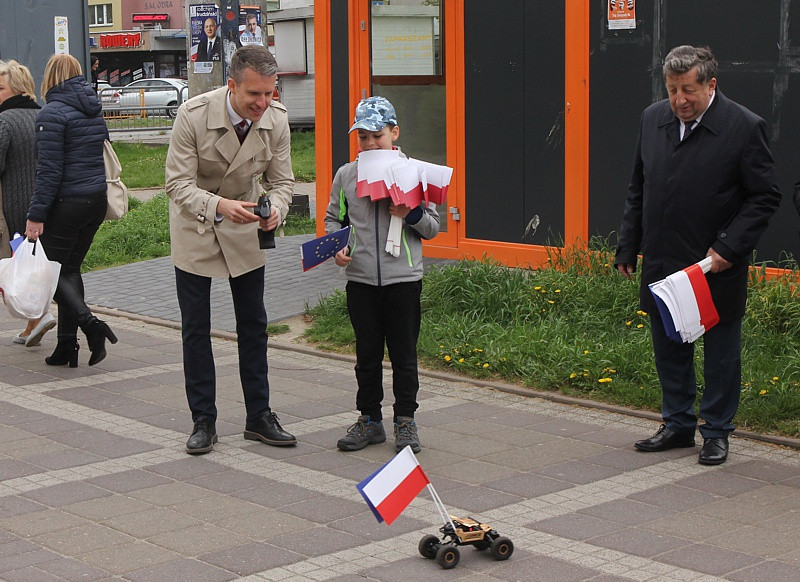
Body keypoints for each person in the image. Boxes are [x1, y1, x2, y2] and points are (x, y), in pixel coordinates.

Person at [614, 45, 781, 465]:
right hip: (663, 260)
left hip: (714, 264)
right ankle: (677, 423)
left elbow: (764, 196)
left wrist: (728, 247)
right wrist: (628, 243)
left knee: (720, 355)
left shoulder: (744, 127)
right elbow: (639, 186)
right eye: (672, 90)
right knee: (669, 346)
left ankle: (717, 431)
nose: (679, 100)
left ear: (711, 84)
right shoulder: (652, 119)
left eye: (688, 89)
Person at [165, 44, 296, 455]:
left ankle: (259, 416)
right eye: (253, 94)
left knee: (254, 324)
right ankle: (203, 420)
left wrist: (276, 210)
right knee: (196, 328)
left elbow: (283, 183)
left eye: (269, 93)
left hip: (246, 226)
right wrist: (219, 206)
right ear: (232, 85)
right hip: (197, 223)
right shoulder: (192, 115)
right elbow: (177, 185)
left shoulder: (276, 120)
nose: (262, 103)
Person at [325, 96, 440, 453]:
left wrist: (411, 213)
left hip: (403, 280)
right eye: (363, 137)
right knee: (367, 354)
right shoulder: (347, 174)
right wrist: (337, 248)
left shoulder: (415, 172)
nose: (371, 143)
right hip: (360, 280)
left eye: (377, 135)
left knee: (404, 355)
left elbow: (432, 228)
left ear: (395, 133)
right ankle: (370, 420)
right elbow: (333, 219)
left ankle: (405, 421)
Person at [25, 53, 118, 369]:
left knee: (49, 271)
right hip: (95, 200)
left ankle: (91, 326)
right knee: (69, 270)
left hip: (67, 203)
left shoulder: (51, 114)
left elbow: (49, 171)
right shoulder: (93, 109)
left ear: (49, 77)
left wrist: (36, 215)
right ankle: (66, 345)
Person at [0, 59, 56, 347]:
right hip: (45, 203)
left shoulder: (4, 121)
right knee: (32, 263)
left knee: (18, 264)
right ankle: (35, 320)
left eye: (0, 88)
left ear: (17, 89)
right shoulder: (44, 115)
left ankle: (39, 315)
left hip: (14, 206)